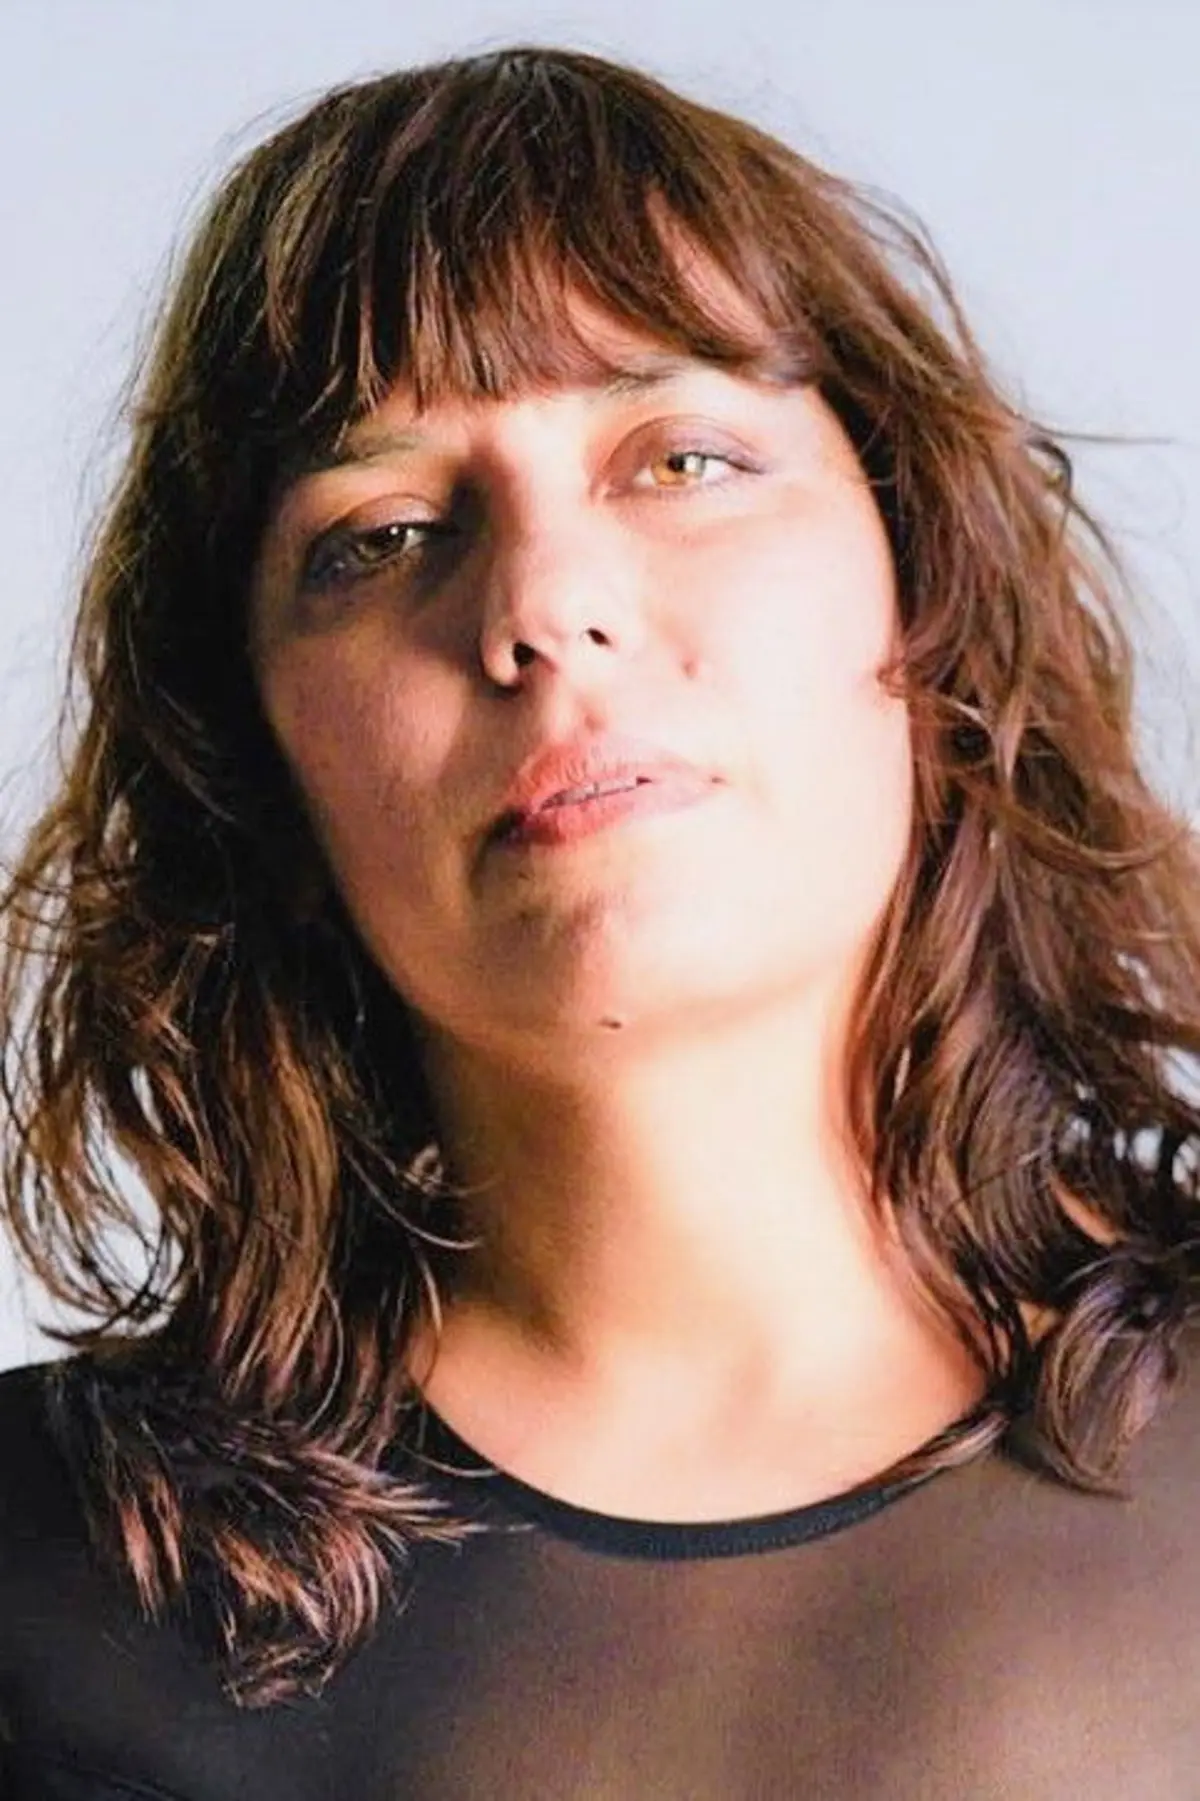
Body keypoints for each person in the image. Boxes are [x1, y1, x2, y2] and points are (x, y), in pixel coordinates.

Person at [2, 41, 1199, 1800]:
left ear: (926, 596)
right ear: (252, 770)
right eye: (381, 533)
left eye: (684, 459)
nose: (544, 605)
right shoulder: (36, 1592)